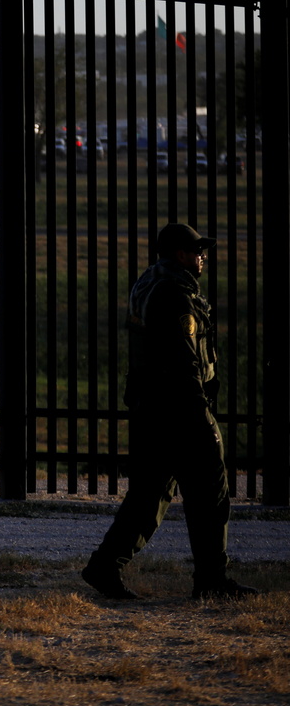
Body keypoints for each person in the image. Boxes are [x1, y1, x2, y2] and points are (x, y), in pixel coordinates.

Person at [82, 223, 257, 600]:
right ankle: (211, 580)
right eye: (197, 251)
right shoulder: (175, 293)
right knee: (210, 492)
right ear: (180, 254)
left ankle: (104, 567)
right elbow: (183, 360)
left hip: (152, 407)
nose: (203, 257)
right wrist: (201, 415)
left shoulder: (148, 283)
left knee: (149, 495)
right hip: (181, 408)